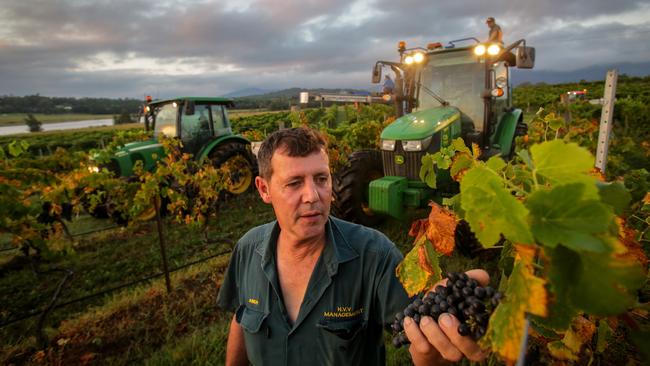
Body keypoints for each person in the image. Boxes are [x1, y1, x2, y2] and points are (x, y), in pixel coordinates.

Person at [217, 127, 487, 365]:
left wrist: (433, 339)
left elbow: (418, 337)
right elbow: (241, 318)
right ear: (264, 189)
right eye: (294, 183)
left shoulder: (375, 255)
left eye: (321, 179)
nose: (313, 196)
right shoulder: (247, 249)